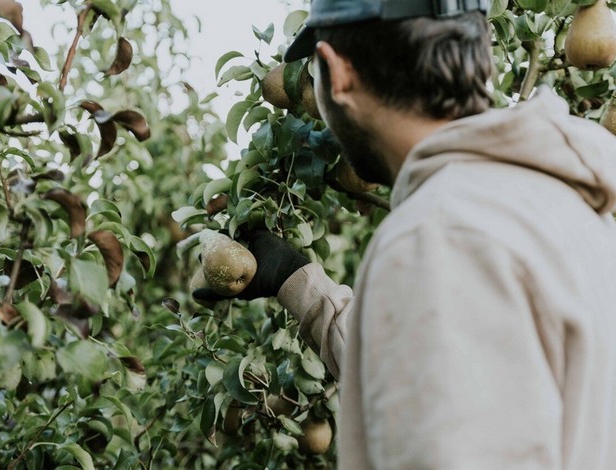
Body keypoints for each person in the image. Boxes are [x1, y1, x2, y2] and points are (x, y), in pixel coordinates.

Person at [194, 0, 616, 468]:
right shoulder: (574, 211)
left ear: (339, 74)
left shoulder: (439, 236)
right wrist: (297, 282)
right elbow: (433, 380)